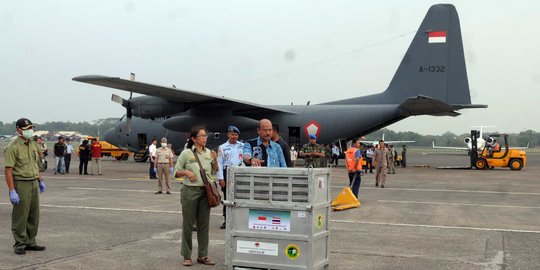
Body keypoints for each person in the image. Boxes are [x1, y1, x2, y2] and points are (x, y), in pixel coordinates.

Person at [174, 126, 218, 266]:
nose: (205, 138)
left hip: (206, 192)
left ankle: (203, 255)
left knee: (204, 225)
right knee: (188, 224)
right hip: (190, 191)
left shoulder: (208, 153)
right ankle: (187, 256)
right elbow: (175, 172)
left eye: (206, 136)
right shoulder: (186, 153)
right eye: (202, 136)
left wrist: (215, 160)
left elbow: (213, 171)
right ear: (194, 139)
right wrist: (187, 173)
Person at [4, 118, 46, 255]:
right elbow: (8, 170)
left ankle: (31, 241)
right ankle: (20, 243)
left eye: (30, 128)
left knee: (34, 215)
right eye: (27, 128)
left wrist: (40, 180)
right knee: (21, 215)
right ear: (18, 130)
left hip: (33, 181)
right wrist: (11, 190)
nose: (29, 131)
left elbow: (35, 164)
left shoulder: (33, 144)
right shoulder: (13, 147)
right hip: (20, 183)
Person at [217, 126, 244, 229]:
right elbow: (219, 163)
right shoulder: (222, 147)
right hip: (227, 172)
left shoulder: (242, 146)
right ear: (228, 135)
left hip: (239, 172)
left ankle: (238, 220)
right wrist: (221, 178)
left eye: (236, 135)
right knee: (227, 198)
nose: (234, 137)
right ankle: (226, 220)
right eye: (232, 134)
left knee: (240, 196)